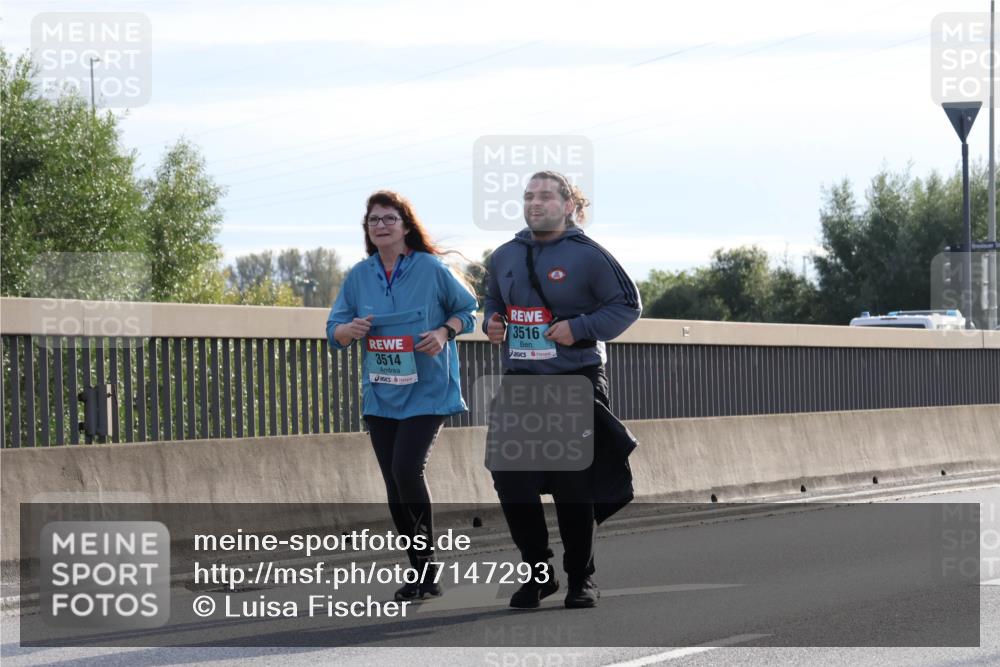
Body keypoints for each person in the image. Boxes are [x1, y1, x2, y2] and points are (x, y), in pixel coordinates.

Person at [483, 171, 641, 609]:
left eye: (546, 196)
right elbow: (493, 299)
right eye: (529, 196)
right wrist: (491, 322)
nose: (535, 203)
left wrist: (579, 328)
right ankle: (538, 572)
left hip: (575, 378)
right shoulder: (505, 255)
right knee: (511, 480)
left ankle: (580, 579)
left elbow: (628, 306)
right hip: (521, 380)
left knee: (574, 486)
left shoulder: (590, 256)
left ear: (569, 205)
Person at [327, 190, 478, 601]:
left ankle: (427, 566)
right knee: (394, 481)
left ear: (406, 225)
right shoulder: (359, 275)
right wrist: (349, 331)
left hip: (428, 389)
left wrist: (443, 331)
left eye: (389, 219)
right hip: (382, 393)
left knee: (407, 469)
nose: (380, 226)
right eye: (373, 220)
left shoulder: (430, 268)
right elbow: (333, 331)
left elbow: (468, 311)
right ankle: (421, 572)